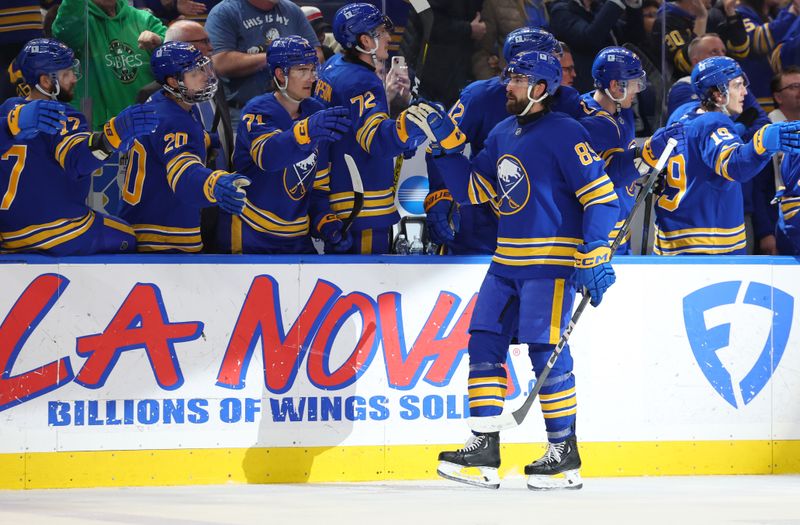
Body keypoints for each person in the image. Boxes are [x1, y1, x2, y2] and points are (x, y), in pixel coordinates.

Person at [423, 50, 621, 490]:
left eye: (517, 79)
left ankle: (563, 452)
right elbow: (474, 190)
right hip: (504, 261)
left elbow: (601, 197)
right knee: (483, 343)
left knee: (544, 353)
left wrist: (595, 250)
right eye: (508, 77)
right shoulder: (501, 131)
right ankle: (485, 446)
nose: (507, 85)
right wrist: (446, 149)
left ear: (540, 88)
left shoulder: (567, 133)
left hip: (549, 263)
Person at [424, 27, 586, 256]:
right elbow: (440, 146)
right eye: (551, 57)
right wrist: (440, 194)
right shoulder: (479, 97)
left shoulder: (567, 99)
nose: (558, 64)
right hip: (484, 222)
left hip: (543, 224)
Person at [0, 38, 158, 255]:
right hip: (60, 231)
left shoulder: (9, 109)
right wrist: (113, 135)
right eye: (66, 74)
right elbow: (78, 160)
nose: (74, 78)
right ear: (46, 81)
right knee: (129, 237)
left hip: (9, 233)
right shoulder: (63, 114)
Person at [652, 56, 800, 255]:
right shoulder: (713, 123)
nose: (745, 92)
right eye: (737, 85)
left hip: (670, 240)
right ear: (718, 95)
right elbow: (735, 165)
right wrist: (762, 142)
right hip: (708, 246)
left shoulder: (682, 113)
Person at [218, 36, 352, 254]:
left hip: (297, 238)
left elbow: (317, 186)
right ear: (280, 74)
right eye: (302, 70)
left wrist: (326, 223)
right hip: (250, 232)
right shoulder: (257, 110)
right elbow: (268, 157)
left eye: (312, 69)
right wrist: (305, 131)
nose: (311, 78)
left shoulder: (316, 112)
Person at [314, 3, 429, 254]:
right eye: (380, 33)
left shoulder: (333, 67)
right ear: (365, 41)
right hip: (363, 204)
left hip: (337, 195)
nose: (388, 37)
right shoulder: (362, 81)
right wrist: (411, 130)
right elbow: (375, 141)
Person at [119, 41, 250, 253]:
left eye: (204, 68)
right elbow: (183, 172)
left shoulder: (161, 103)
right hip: (164, 236)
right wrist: (213, 183)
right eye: (195, 72)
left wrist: (205, 139)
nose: (206, 76)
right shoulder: (174, 121)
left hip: (144, 221)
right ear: (173, 81)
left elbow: (163, 147)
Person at [51, 0, 167, 130]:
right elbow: (64, 34)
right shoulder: (79, 21)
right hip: (101, 126)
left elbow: (175, 54)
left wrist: (160, 42)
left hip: (148, 120)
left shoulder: (143, 19)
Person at [579, 47, 647, 254]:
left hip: (622, 229)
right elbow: (612, 174)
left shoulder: (623, 111)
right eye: (635, 82)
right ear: (616, 85)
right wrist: (649, 156)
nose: (638, 89)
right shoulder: (589, 121)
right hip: (596, 235)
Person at [205, 0, 320, 119]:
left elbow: (317, 54)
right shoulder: (224, 12)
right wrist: (276, 57)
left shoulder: (292, 9)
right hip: (244, 113)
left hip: (295, 110)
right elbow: (220, 63)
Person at [548, 0, 645, 93]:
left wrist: (633, 5)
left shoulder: (597, 7)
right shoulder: (561, 10)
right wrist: (615, 2)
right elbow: (588, 39)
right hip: (585, 88)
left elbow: (632, 38)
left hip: (615, 83)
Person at [650, 0, 747, 82]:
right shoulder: (666, 21)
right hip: (683, 90)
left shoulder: (713, 15)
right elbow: (687, 63)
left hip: (716, 84)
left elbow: (741, 51)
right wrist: (701, 19)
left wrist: (731, 13)